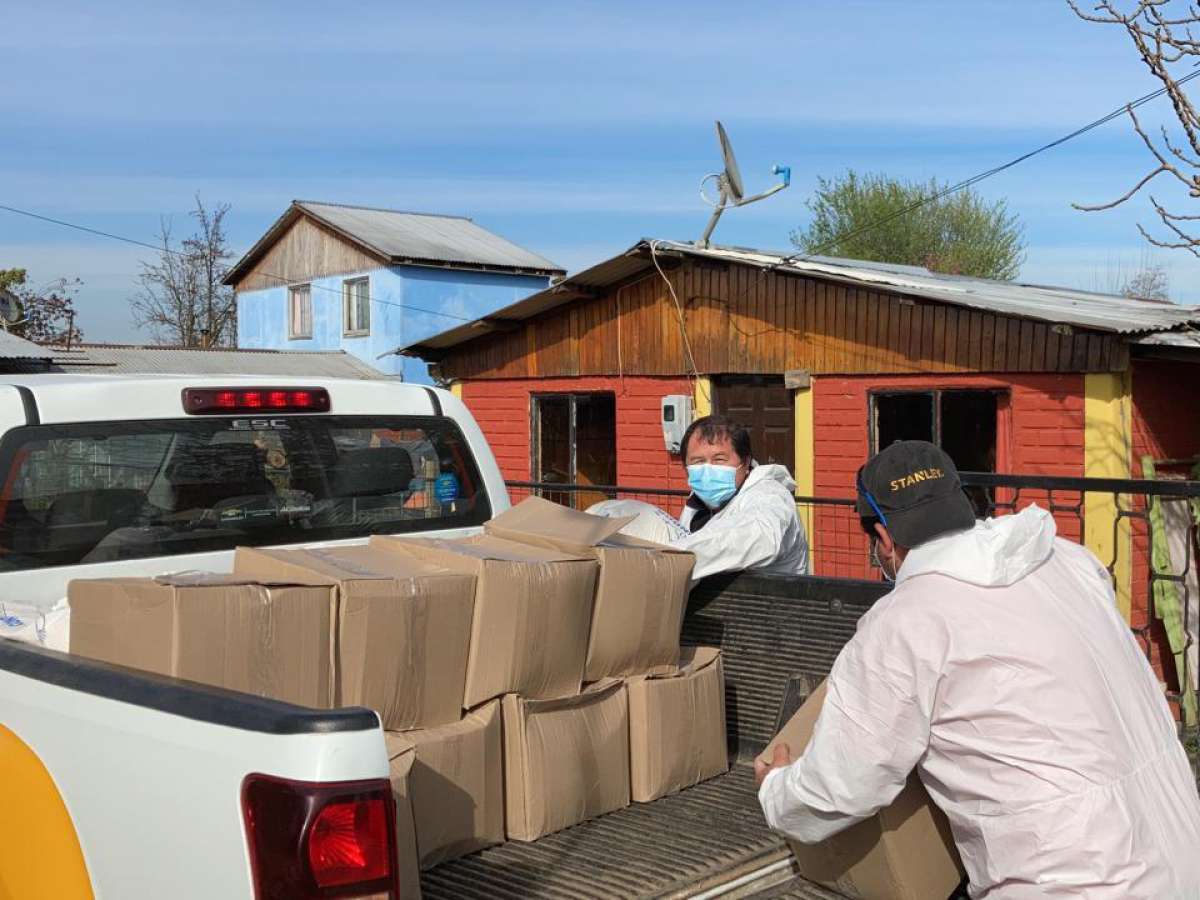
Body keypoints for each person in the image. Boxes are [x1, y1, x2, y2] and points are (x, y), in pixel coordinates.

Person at [755, 440, 1200, 899]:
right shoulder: (1066, 559)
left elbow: (846, 784)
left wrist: (778, 793)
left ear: (884, 539)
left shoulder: (906, 621)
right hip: (1181, 853)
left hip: (1072, 883)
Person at [670, 415, 808, 581]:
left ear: (746, 461)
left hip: (768, 603)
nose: (708, 470)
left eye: (719, 459)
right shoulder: (698, 499)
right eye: (698, 461)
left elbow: (759, 537)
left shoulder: (770, 496)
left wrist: (665, 559)